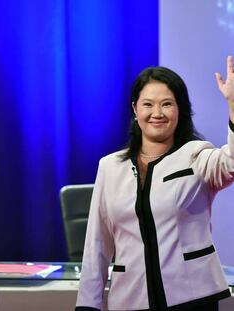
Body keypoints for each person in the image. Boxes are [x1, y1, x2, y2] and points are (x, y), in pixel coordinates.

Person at [75, 59, 234, 311]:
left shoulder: (196, 155)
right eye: (148, 104)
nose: (157, 113)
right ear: (135, 109)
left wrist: (233, 106)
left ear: (180, 109)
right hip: (129, 299)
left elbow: (231, 163)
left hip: (192, 300)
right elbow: (96, 244)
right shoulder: (110, 166)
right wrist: (87, 305)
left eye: (167, 104)